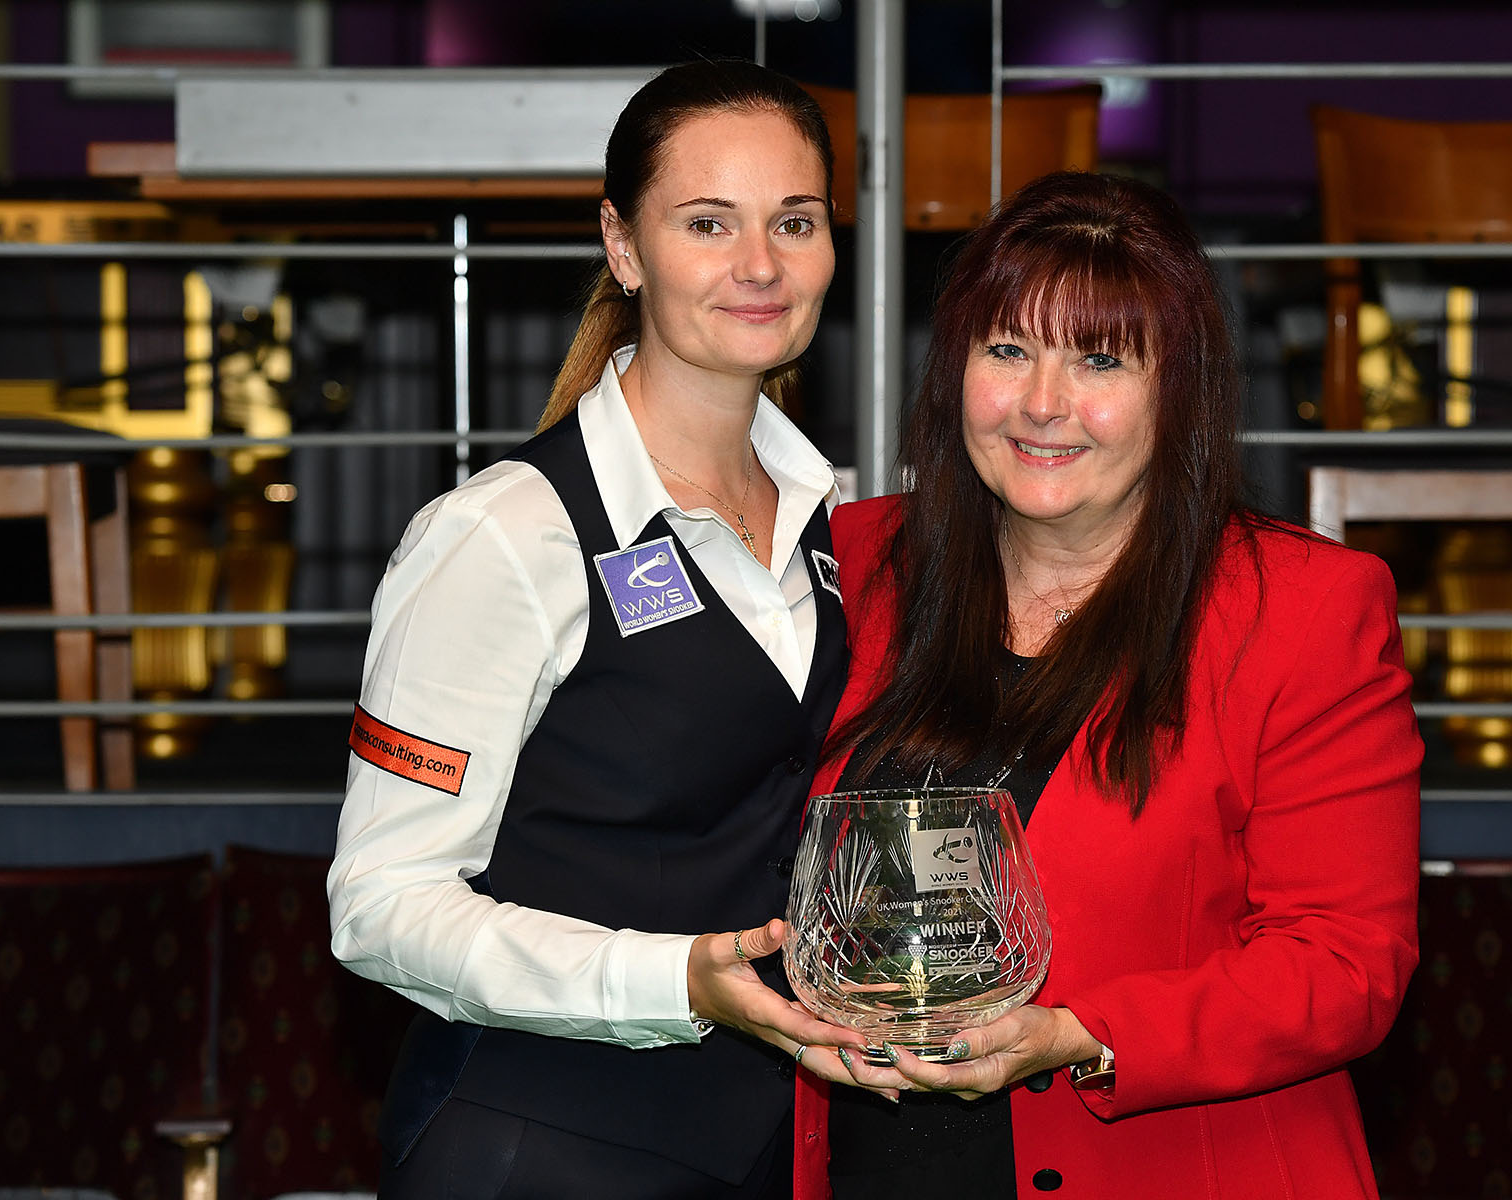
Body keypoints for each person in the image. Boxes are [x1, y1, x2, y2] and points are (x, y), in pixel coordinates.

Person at [788, 171, 1424, 1198]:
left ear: (1179, 390)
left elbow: (1346, 962)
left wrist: (1081, 1035)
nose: (1043, 403)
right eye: (1008, 350)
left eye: (1099, 359)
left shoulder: (1304, 609)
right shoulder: (853, 563)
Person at [327, 60, 868, 1199]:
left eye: (795, 221)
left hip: (761, 1145)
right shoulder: (501, 535)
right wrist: (669, 980)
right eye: (708, 223)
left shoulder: (832, 520)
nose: (761, 264)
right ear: (624, 246)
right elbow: (381, 908)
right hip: (539, 1147)